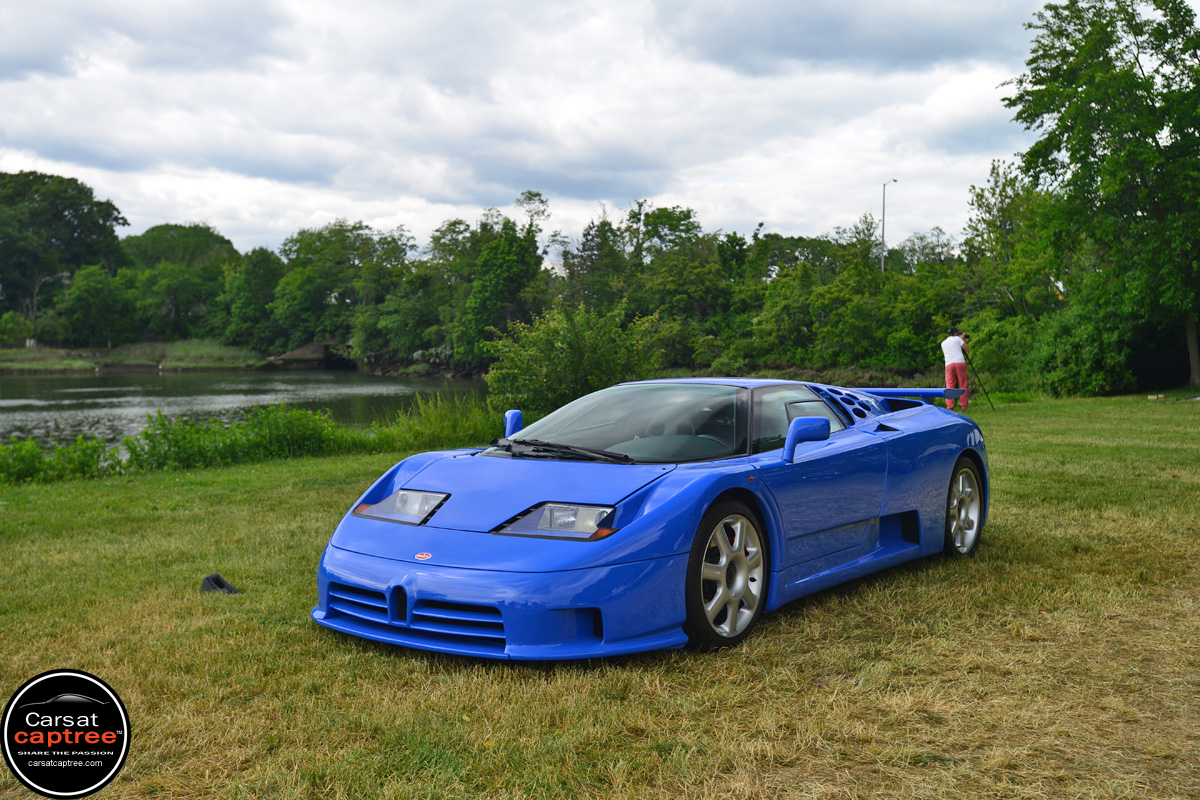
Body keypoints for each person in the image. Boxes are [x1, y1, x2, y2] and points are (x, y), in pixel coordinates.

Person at [941, 326, 969, 411]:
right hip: (960, 362)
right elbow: (967, 348)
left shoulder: (943, 343)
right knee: (962, 384)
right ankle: (963, 406)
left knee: (949, 385)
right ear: (956, 333)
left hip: (949, 364)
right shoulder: (958, 339)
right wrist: (962, 339)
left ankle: (950, 406)